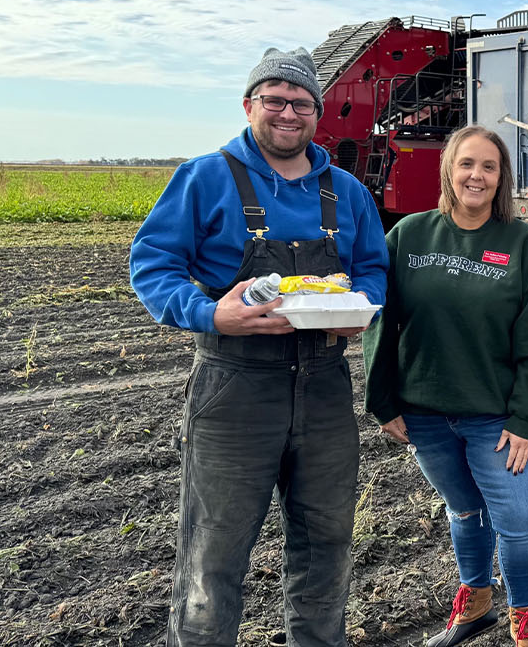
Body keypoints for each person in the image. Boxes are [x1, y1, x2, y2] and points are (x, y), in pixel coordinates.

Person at [130, 47, 389, 647]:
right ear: (250, 105)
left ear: (317, 113)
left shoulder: (345, 191)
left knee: (326, 542)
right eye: (274, 99)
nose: (287, 112)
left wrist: (359, 309)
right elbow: (154, 263)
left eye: (301, 102)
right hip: (234, 389)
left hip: (324, 386)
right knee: (213, 551)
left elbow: (374, 269)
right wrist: (209, 314)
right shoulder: (206, 176)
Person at [362, 125, 528, 647]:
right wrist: (381, 403)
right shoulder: (409, 234)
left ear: (502, 180)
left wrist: (525, 419)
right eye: (467, 163)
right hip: (424, 413)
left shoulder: (522, 244)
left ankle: (526, 622)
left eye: (489, 167)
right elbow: (381, 322)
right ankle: (474, 604)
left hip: (495, 418)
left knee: (519, 523)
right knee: (465, 511)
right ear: (449, 170)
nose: (477, 175)